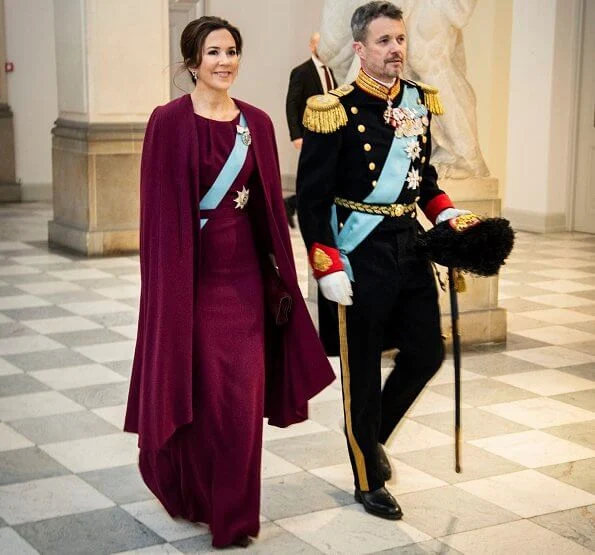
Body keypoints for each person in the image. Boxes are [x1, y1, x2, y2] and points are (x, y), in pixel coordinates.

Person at [124, 16, 335, 549]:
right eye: (213, 51)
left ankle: (235, 515)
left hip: (242, 287)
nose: (225, 61)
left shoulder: (257, 124)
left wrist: (283, 281)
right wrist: (165, 295)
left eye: (232, 50)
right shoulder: (168, 121)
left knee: (238, 403)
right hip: (188, 286)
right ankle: (194, 493)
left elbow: (266, 211)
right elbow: (158, 217)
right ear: (192, 60)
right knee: (198, 400)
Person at [297, 1, 468, 520]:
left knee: (426, 353)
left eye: (400, 39)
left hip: (408, 247)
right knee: (363, 373)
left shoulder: (418, 101)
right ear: (359, 49)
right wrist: (326, 265)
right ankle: (367, 479)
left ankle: (371, 443)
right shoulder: (335, 108)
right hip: (359, 251)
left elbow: (425, 183)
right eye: (384, 41)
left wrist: (450, 219)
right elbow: (311, 198)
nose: (396, 49)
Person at [284, 32, 336, 228]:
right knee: (314, 176)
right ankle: (293, 204)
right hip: (312, 135)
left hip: (333, 134)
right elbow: (292, 104)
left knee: (325, 177)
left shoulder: (333, 71)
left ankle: (291, 204)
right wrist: (296, 135)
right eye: (319, 45)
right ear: (312, 46)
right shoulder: (302, 72)